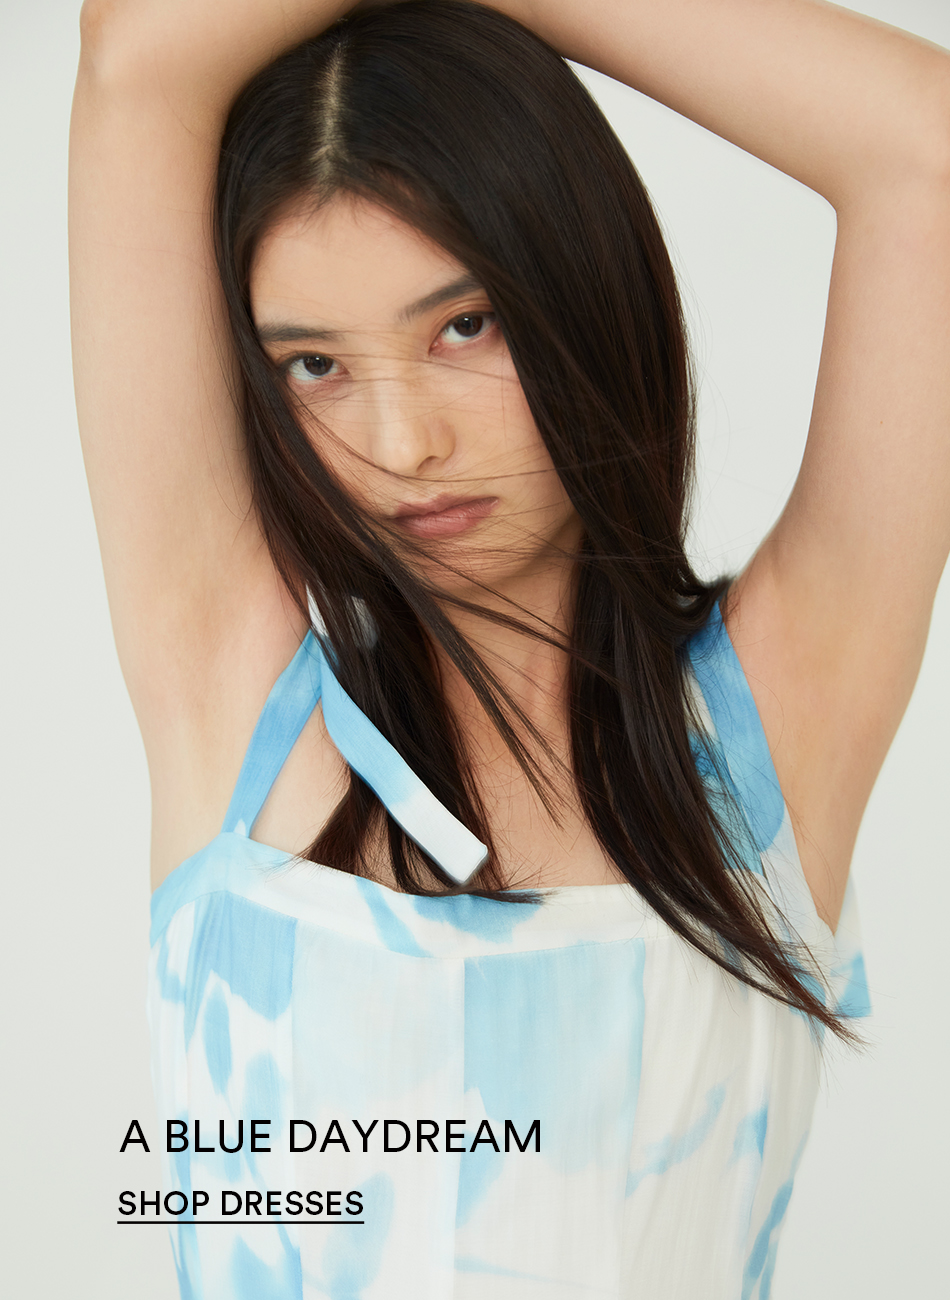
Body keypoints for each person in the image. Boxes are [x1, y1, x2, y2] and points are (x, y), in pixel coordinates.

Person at [69, 0, 950, 1295]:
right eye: (314, 364)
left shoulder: (769, 726)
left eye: (463, 325)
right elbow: (136, 55)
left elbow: (926, 146)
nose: (403, 443)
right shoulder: (239, 706)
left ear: (579, 287)